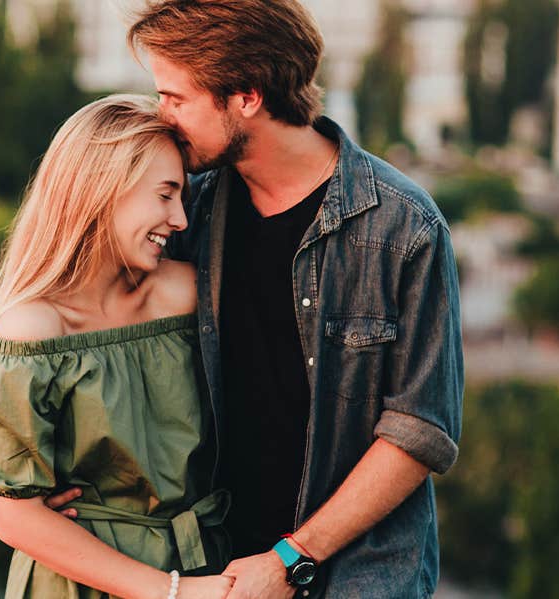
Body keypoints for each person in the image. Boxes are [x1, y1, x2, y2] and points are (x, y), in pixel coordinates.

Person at [110, 1, 464, 597]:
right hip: (211, 568)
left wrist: (288, 560)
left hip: (360, 577)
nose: (162, 116)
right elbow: (103, 330)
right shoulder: (184, 210)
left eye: (176, 97)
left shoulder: (405, 227)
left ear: (246, 95)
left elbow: (418, 432)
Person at [0, 94, 236, 599]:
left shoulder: (190, 293)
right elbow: (17, 519)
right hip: (81, 584)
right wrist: (176, 594)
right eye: (165, 195)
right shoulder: (34, 330)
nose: (181, 220)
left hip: (208, 566)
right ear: (105, 188)